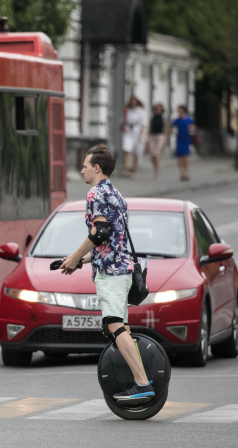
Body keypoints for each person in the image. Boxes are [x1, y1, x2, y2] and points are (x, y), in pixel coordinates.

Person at [59, 144, 155, 402]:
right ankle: (141, 377)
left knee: (113, 324)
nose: (81, 170)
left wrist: (77, 256)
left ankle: (142, 382)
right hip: (122, 270)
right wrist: (75, 260)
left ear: (96, 168)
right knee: (121, 325)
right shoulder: (117, 194)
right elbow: (110, 243)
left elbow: (99, 233)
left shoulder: (95, 194)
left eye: (85, 166)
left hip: (112, 274)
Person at [120, 96, 148, 179]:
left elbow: (143, 123)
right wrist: (123, 126)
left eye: (134, 101)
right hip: (128, 131)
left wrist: (141, 134)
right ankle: (127, 168)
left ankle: (134, 169)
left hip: (137, 131)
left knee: (136, 152)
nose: (133, 103)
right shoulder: (126, 110)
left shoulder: (140, 111)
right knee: (126, 149)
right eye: (132, 101)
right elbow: (122, 120)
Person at [172, 105, 195, 181]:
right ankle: (181, 172)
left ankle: (186, 171)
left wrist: (191, 129)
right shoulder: (177, 120)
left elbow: (193, 127)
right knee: (179, 156)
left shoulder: (188, 119)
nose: (178, 111)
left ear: (183, 110)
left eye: (180, 109)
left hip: (186, 138)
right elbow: (172, 128)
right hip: (179, 139)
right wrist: (172, 131)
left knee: (185, 156)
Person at [146, 103, 168, 180]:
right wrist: (147, 138)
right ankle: (155, 167)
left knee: (156, 154)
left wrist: (165, 140)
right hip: (153, 136)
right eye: (157, 109)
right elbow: (149, 128)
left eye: (160, 110)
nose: (158, 111)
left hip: (160, 136)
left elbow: (165, 130)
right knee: (152, 155)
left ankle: (157, 171)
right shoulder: (152, 117)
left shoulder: (163, 118)